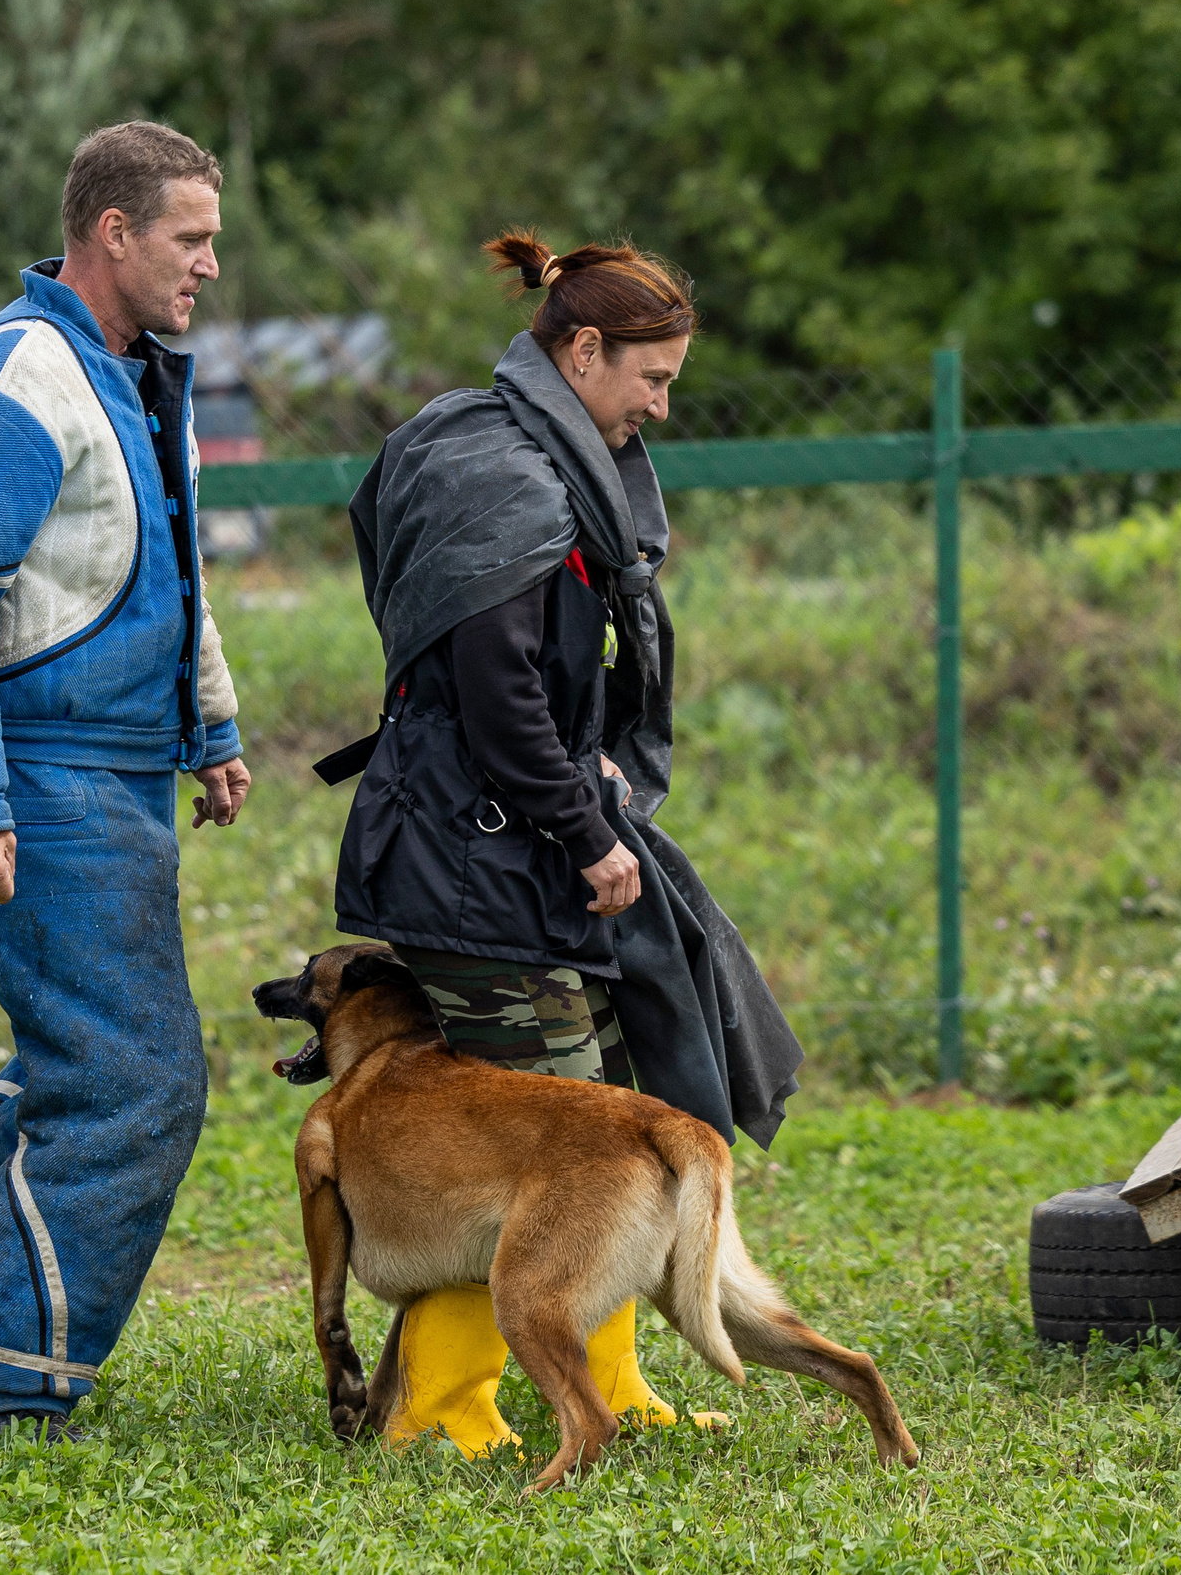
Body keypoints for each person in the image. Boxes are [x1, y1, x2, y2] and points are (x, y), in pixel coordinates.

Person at [324, 230, 803, 1457]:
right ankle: (436, 1413)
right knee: (526, 1147)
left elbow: (529, 679)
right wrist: (589, 830)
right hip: (471, 858)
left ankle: (607, 1379)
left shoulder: (518, 450)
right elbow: (498, 701)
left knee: (587, 1118)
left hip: (489, 844)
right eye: (649, 378)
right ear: (580, 351)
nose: (657, 405)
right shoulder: (504, 480)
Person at [0, 121, 253, 1445]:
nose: (210, 263)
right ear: (113, 232)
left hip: (120, 774)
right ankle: (7, 1389)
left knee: (71, 1061)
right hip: (44, 775)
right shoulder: (14, 375)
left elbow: (157, 572)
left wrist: (211, 724)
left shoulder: (133, 375)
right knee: (131, 1081)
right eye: (190, 237)